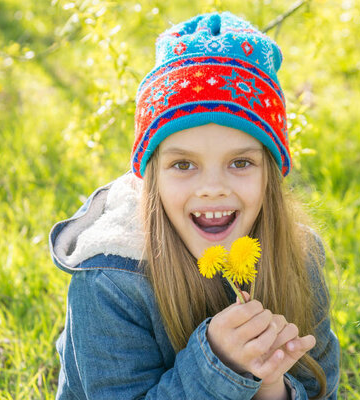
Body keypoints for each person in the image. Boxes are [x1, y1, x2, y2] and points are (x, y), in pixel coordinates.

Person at [50, 11, 339, 400]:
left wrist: (272, 386)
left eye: (240, 162)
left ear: (270, 174)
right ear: (151, 176)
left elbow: (321, 387)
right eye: (183, 164)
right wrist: (219, 364)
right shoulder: (110, 282)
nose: (212, 189)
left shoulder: (298, 258)